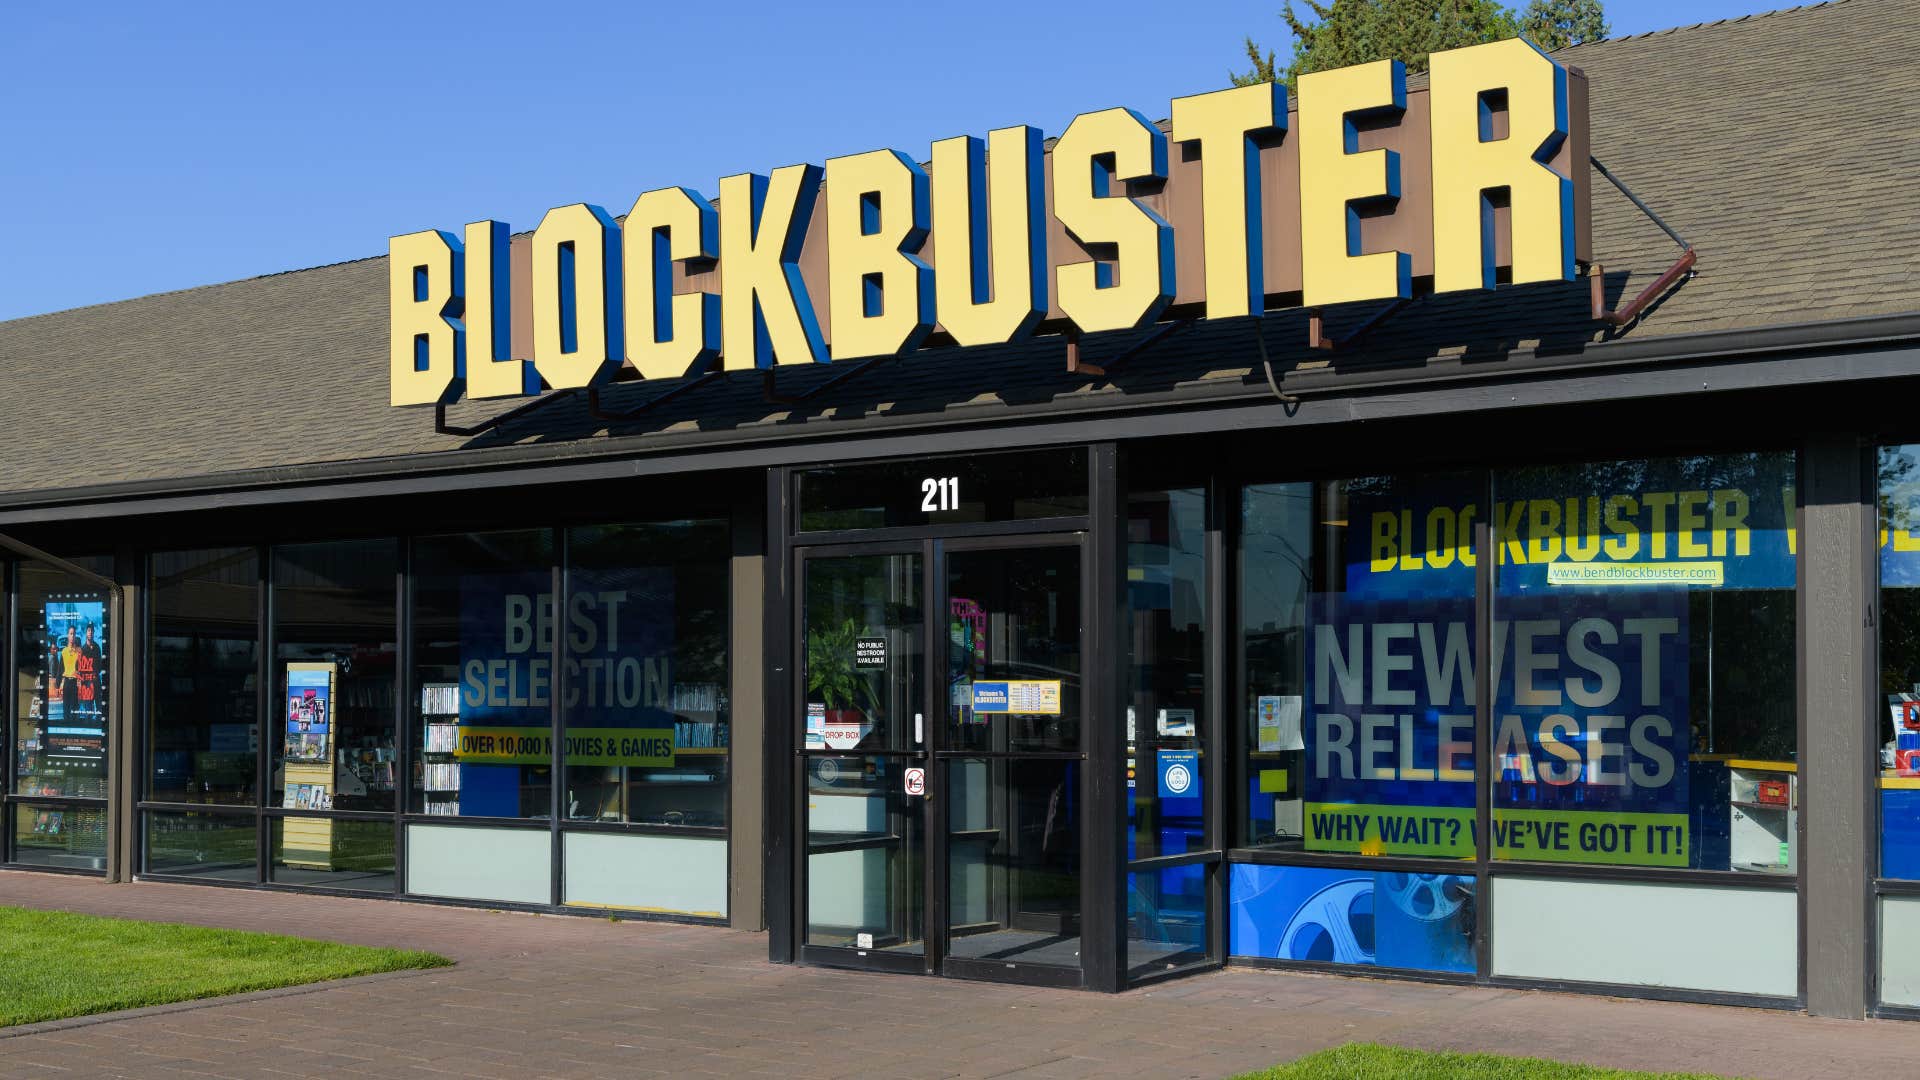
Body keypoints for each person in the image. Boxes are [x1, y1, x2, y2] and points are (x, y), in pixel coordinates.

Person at [76, 622, 102, 721]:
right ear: (86, 633)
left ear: (94, 632)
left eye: (92, 631)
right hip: (87, 682)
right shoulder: (82, 649)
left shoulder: (97, 647)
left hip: (96, 680)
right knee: (88, 709)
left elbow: (100, 664)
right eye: (89, 631)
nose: (90, 632)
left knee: (99, 707)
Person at [58, 627, 80, 722]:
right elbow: (60, 669)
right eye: (70, 633)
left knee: (75, 708)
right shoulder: (64, 652)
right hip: (67, 682)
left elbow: (81, 668)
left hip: (75, 683)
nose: (72, 636)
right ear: (68, 635)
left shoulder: (79, 651)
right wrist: (57, 686)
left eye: (74, 634)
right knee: (66, 708)